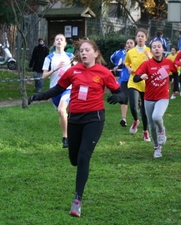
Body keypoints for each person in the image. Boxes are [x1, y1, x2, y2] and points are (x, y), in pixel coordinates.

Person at [28, 39, 126, 217]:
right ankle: (79, 174)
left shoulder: (103, 72)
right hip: (75, 118)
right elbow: (57, 89)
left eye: (87, 50)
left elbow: (121, 94)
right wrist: (38, 96)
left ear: (95, 53)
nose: (84, 53)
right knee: (74, 159)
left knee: (83, 157)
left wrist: (118, 98)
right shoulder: (73, 71)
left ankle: (77, 200)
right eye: (81, 50)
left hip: (94, 119)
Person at [134, 39, 179, 158]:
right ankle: (157, 147)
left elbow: (175, 73)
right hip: (148, 98)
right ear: (151, 50)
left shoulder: (168, 63)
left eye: (159, 46)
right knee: (151, 126)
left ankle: (162, 129)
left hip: (163, 97)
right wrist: (141, 77)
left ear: (163, 49)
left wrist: (176, 88)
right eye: (154, 47)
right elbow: (135, 78)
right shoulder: (146, 64)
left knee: (157, 117)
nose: (157, 49)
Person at [42, 34, 74, 148]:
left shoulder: (70, 56)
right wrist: (54, 70)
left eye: (61, 39)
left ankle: (65, 138)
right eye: (57, 39)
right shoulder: (49, 58)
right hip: (54, 90)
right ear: (54, 43)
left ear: (65, 43)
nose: (59, 41)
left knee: (61, 109)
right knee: (61, 113)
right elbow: (44, 76)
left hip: (68, 89)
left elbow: (78, 70)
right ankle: (67, 131)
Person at [124, 28, 151, 141]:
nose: (140, 38)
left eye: (142, 36)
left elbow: (156, 63)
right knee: (134, 107)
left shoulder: (149, 50)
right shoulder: (131, 52)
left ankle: (145, 131)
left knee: (145, 110)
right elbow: (126, 62)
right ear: (136, 38)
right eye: (138, 36)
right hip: (133, 80)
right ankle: (136, 120)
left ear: (146, 38)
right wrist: (128, 68)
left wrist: (150, 57)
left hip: (146, 82)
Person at [111, 40, 133, 127]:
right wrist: (117, 67)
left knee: (136, 100)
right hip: (124, 78)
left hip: (135, 79)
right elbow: (123, 63)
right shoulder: (124, 53)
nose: (129, 45)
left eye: (131, 43)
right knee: (124, 97)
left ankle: (138, 114)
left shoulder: (137, 54)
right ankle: (123, 119)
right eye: (127, 43)